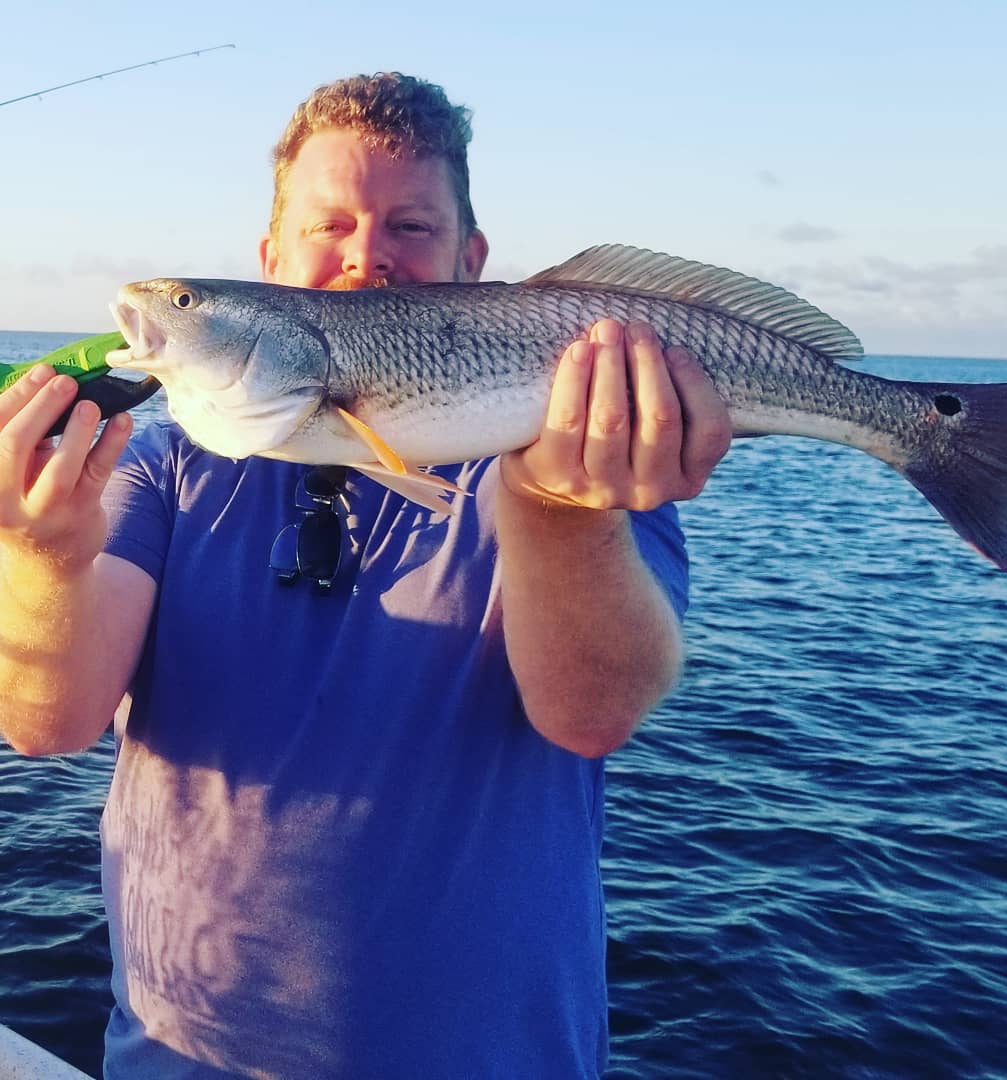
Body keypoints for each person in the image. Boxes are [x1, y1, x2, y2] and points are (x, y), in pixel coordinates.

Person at [0, 73, 731, 1078]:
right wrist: (38, 551)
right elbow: (46, 722)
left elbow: (590, 716)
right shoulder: (163, 467)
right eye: (330, 224)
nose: (366, 255)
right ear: (271, 262)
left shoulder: (578, 453)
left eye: (412, 226)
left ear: (474, 262)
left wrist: (562, 512)